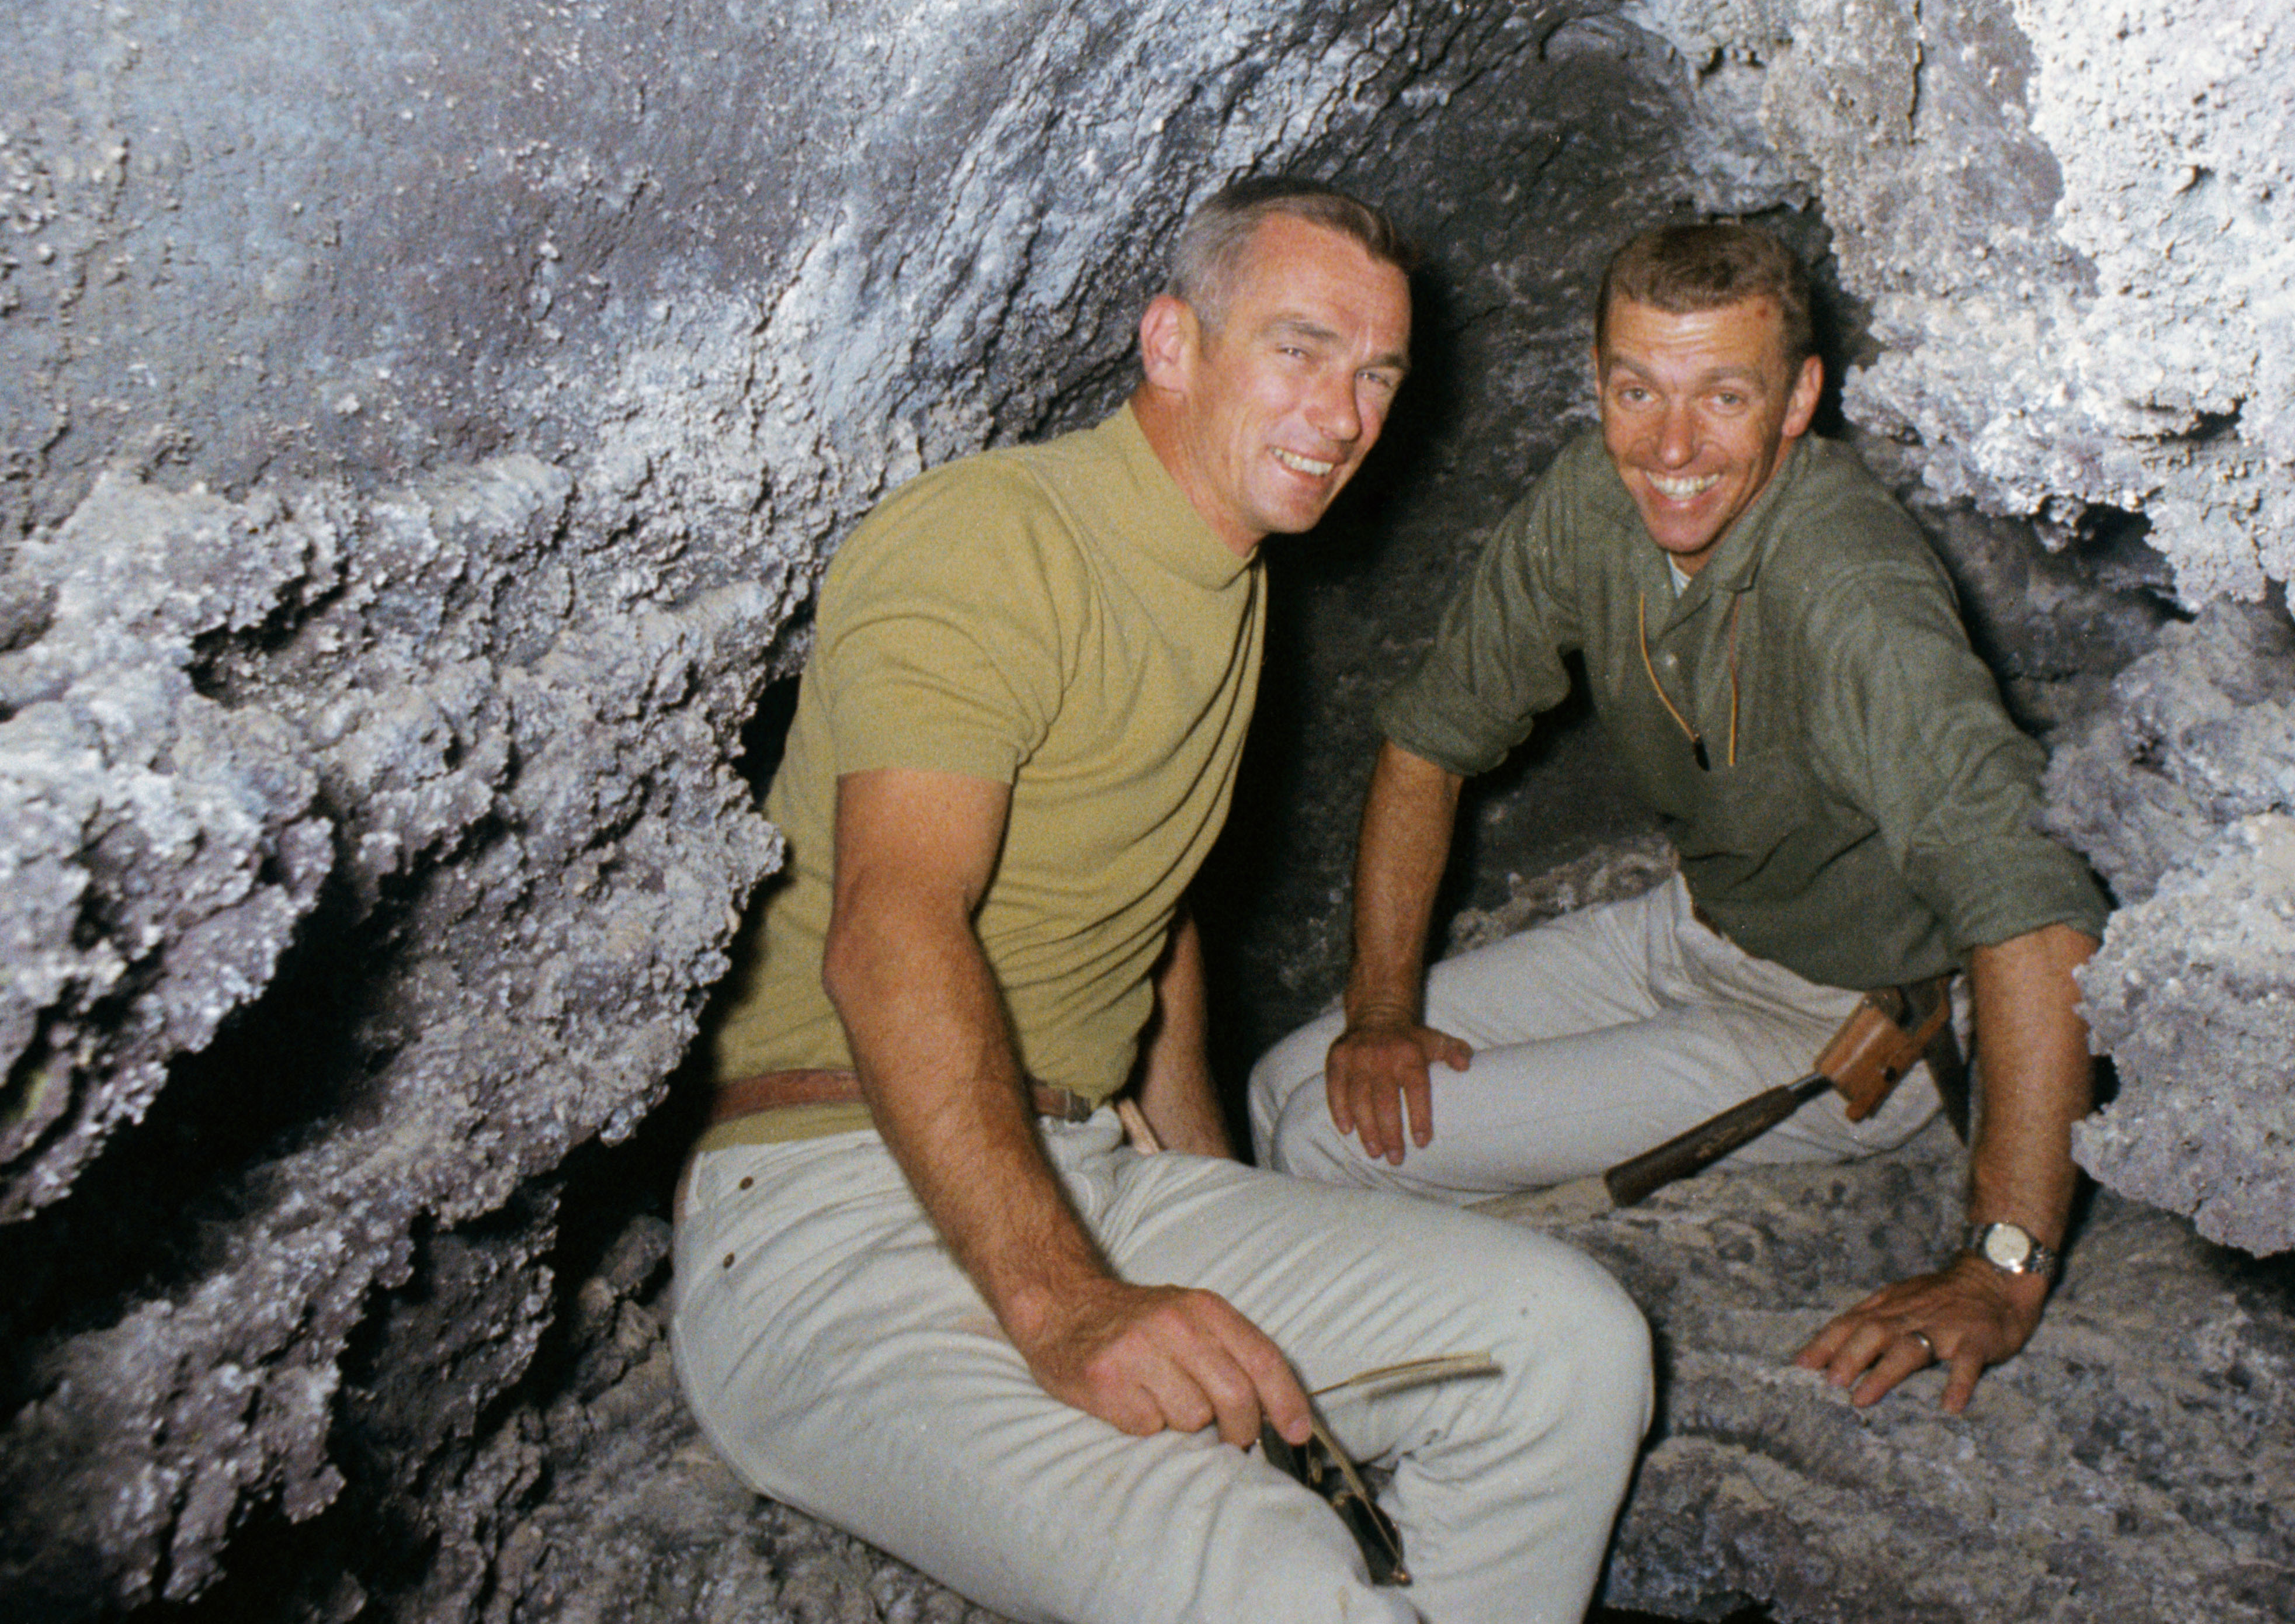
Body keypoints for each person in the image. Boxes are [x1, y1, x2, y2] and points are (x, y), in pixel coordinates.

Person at [672, 181, 1651, 1624]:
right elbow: (894, 931)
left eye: (1376, 371)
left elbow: (1152, 913)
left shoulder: (1227, 573)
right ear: (1171, 342)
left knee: (1567, 1344)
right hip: (833, 1211)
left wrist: (1216, 1197)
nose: (1342, 412)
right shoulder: (993, 540)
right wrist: (1070, 1306)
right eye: (1299, 348)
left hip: (1089, 1176)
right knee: (1265, 1572)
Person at [1248, 218, 2112, 1415]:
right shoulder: (1593, 501)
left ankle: (1378, 1415)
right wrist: (1385, 1008)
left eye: (1721, 395)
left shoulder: (1847, 593)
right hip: (1690, 930)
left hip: (1839, 1020)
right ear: (1596, 379)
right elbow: (1427, 741)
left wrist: (2000, 1266)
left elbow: (2033, 906)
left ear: (1797, 396)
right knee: (1285, 1081)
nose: (1670, 445)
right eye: (1634, 387)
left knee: (1329, 1144)